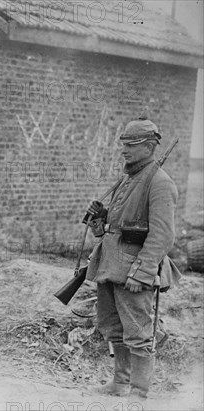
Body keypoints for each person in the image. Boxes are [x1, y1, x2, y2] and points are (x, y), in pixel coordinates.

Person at [85, 114, 181, 399]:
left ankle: (139, 392)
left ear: (150, 147)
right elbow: (113, 229)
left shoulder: (160, 183)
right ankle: (120, 383)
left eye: (132, 144)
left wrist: (142, 272)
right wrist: (99, 219)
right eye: (124, 144)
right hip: (110, 265)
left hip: (133, 271)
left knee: (138, 331)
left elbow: (162, 235)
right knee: (114, 327)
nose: (124, 149)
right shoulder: (128, 179)